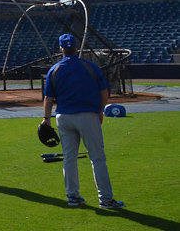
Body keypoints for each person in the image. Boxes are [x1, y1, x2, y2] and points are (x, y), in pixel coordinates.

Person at [41, 34, 124, 209]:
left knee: (69, 158)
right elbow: (104, 92)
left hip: (63, 117)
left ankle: (73, 197)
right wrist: (101, 110)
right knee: (97, 158)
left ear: (61, 49)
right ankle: (106, 199)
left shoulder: (54, 69)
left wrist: (46, 119)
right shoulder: (90, 66)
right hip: (87, 116)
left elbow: (48, 98)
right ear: (77, 48)